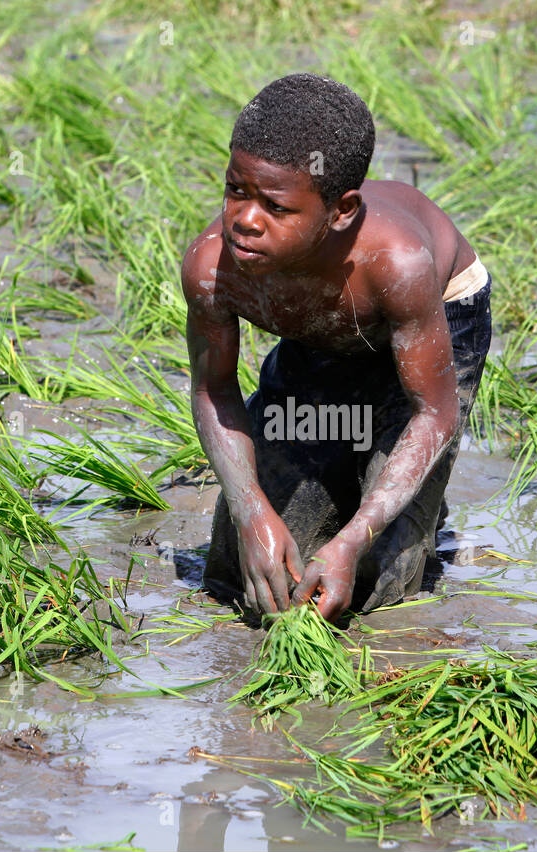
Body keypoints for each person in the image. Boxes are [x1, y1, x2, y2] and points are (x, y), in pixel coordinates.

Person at [182, 73, 492, 622]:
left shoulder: (397, 264)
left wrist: (353, 541)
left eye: (276, 207)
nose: (245, 221)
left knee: (373, 582)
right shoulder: (214, 267)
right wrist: (252, 512)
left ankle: (402, 494)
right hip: (321, 332)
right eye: (236, 191)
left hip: (432, 321)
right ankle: (355, 467)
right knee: (244, 574)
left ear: (342, 211)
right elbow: (213, 387)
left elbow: (434, 411)